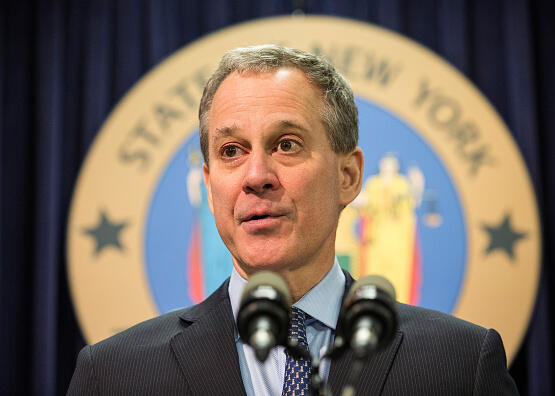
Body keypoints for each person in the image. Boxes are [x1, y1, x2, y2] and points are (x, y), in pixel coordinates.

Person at [67, 45, 519, 395]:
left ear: (348, 175)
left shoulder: (460, 365)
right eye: (231, 152)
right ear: (209, 184)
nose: (257, 177)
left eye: (286, 144)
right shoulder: (113, 375)